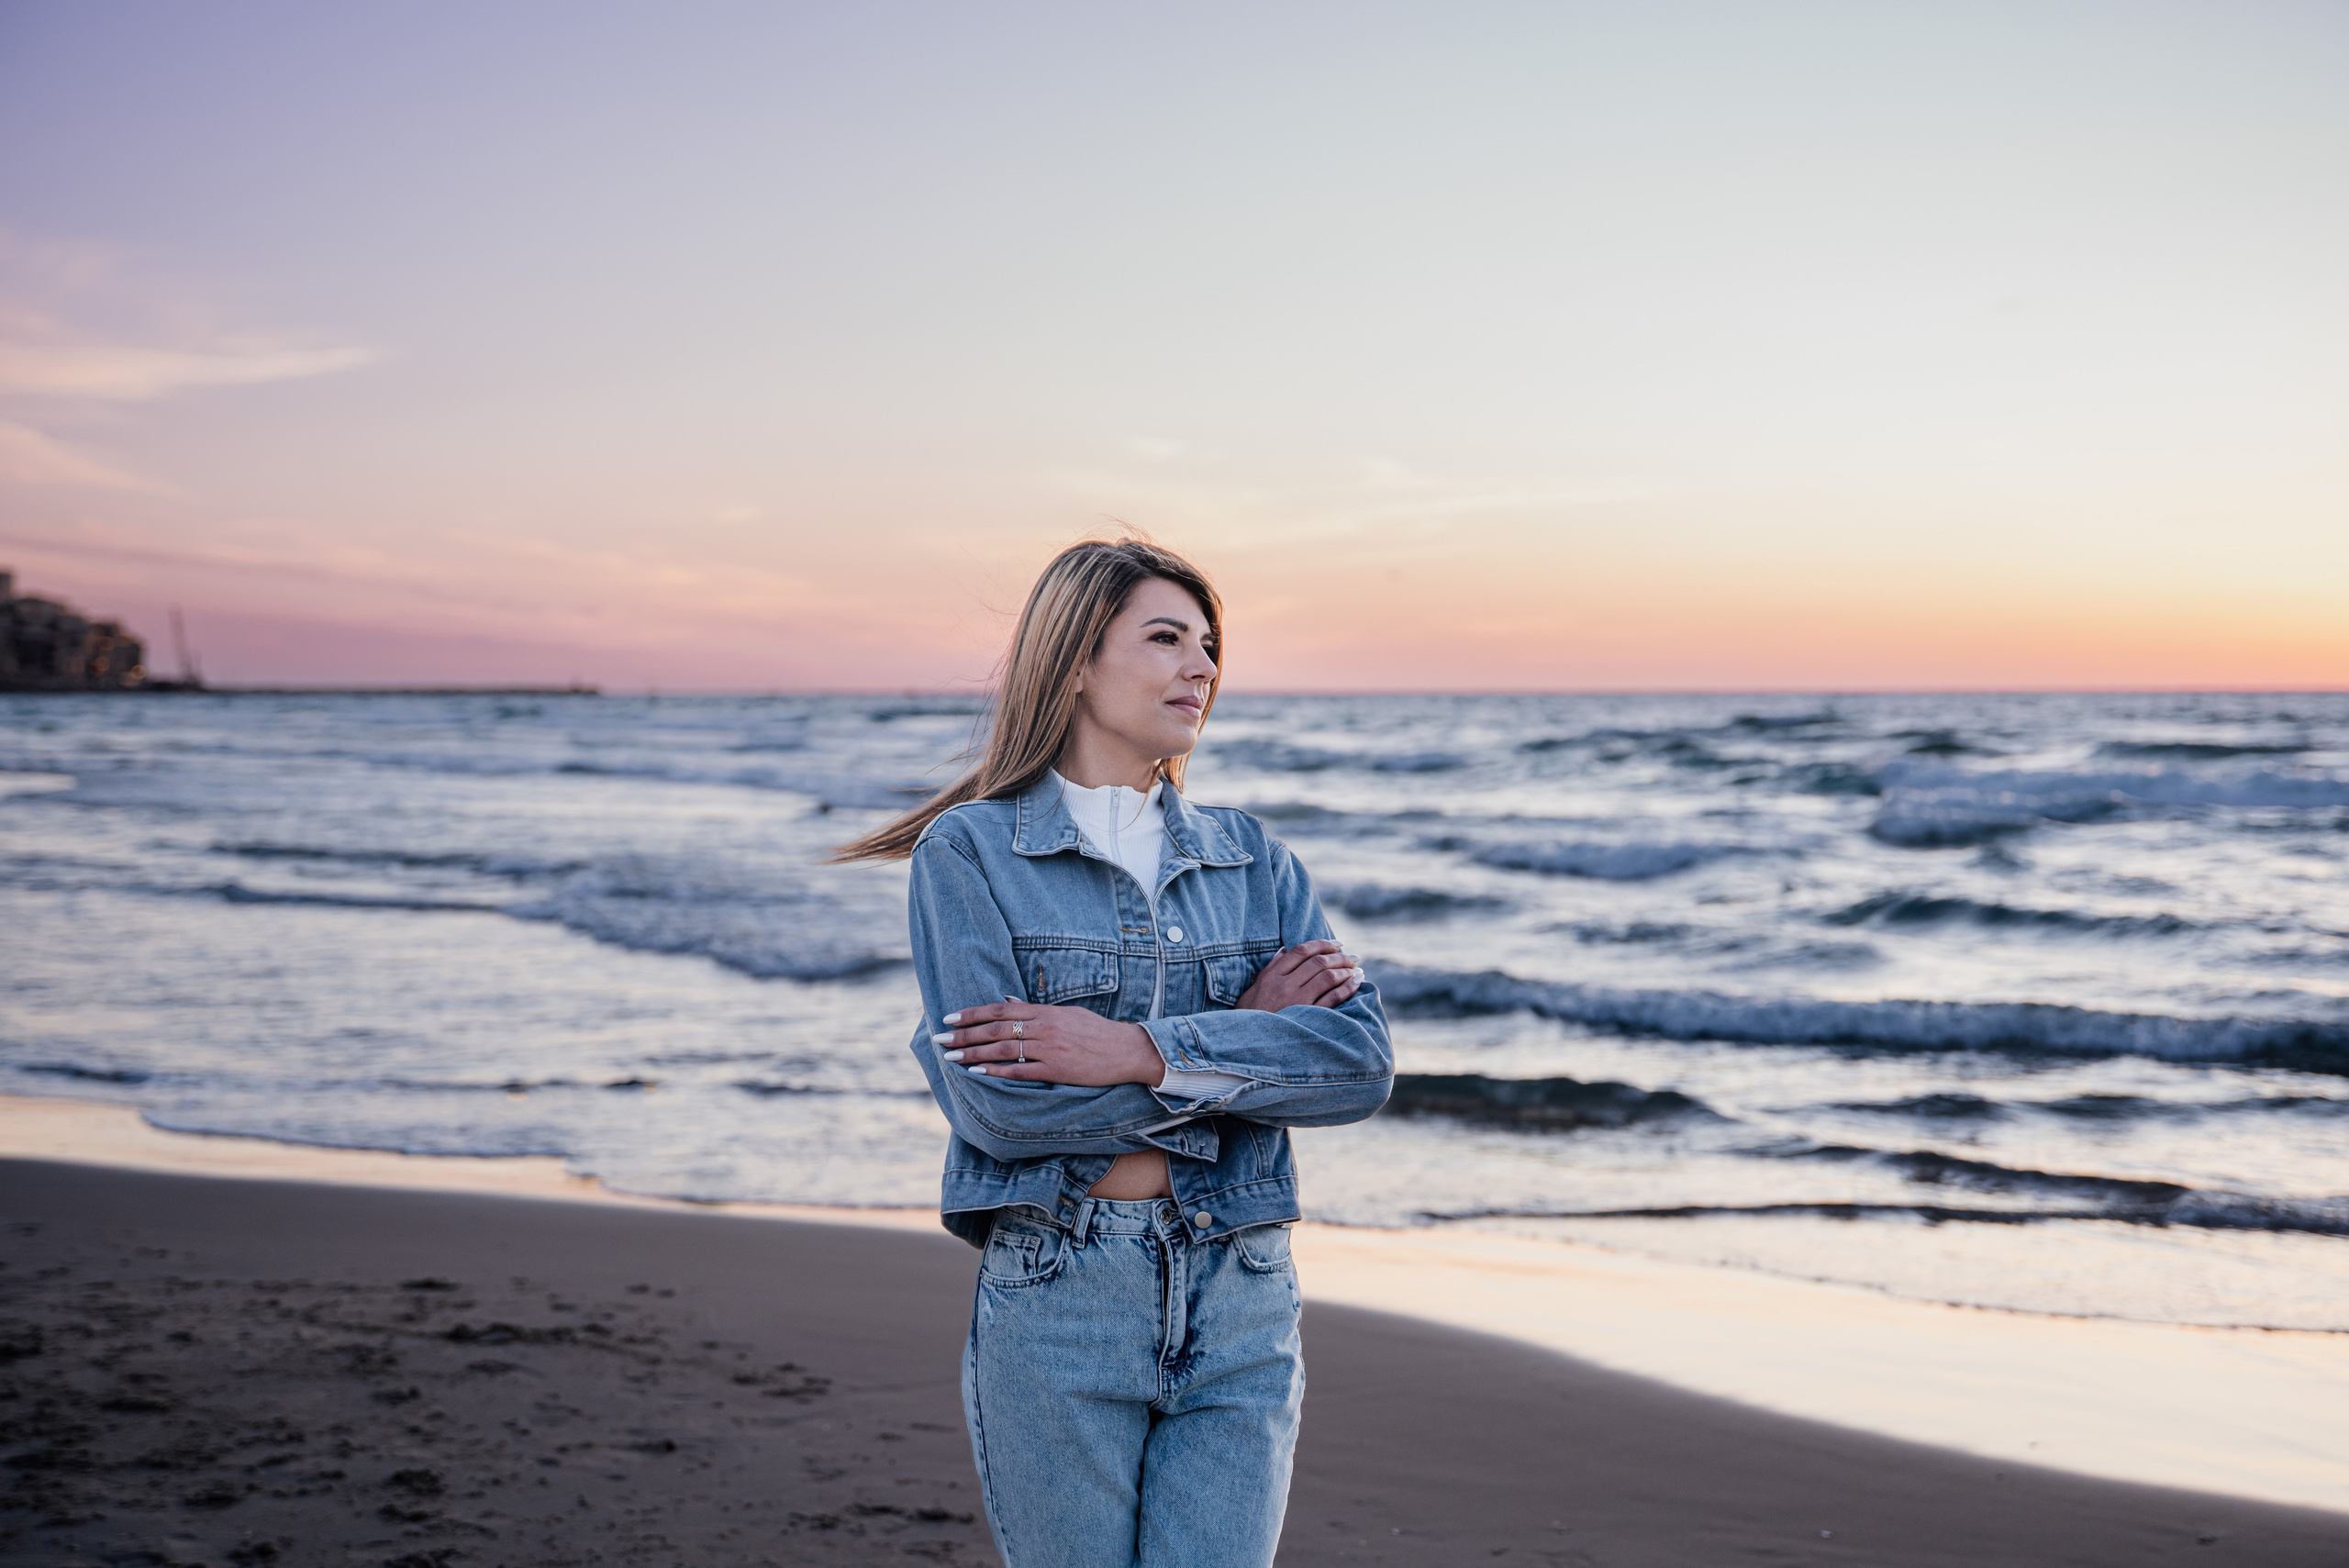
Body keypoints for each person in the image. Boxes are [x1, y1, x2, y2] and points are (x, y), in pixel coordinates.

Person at [836, 537, 1394, 1568]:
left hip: (1240, 1283)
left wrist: (1135, 1050)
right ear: (1078, 660)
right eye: (1168, 637)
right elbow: (1000, 1112)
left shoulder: (1253, 858)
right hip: (1060, 1292)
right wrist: (1243, 1057)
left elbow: (1357, 1067)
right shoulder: (971, 853)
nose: (1204, 668)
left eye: (1211, 645)